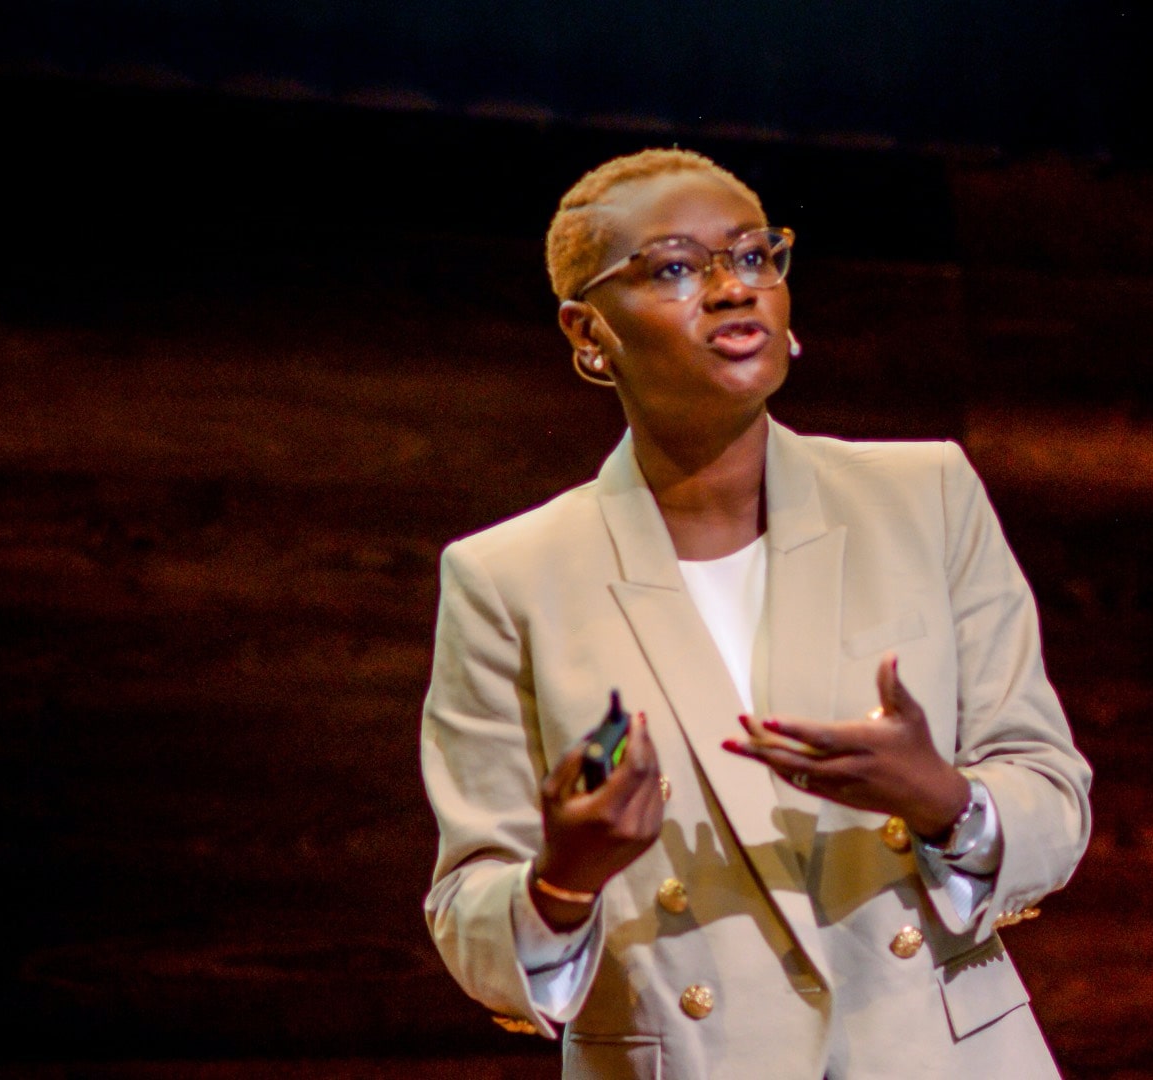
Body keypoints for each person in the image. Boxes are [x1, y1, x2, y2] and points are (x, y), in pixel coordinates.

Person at [420, 147, 1092, 1079]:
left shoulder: (923, 494)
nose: (734, 290)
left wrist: (937, 796)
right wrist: (565, 877)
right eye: (676, 269)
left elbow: (1053, 796)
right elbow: (469, 911)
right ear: (589, 329)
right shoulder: (508, 576)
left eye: (753, 256)